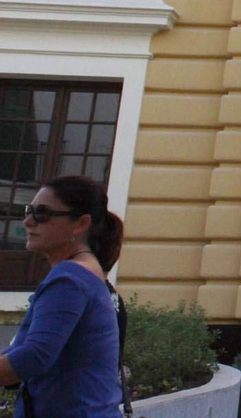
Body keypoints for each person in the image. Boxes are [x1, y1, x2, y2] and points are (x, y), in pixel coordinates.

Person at [0, 175, 126, 418]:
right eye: (29, 211)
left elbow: (35, 356)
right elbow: (27, 349)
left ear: (80, 224)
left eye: (42, 214)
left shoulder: (69, 278)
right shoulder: (86, 272)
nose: (28, 221)